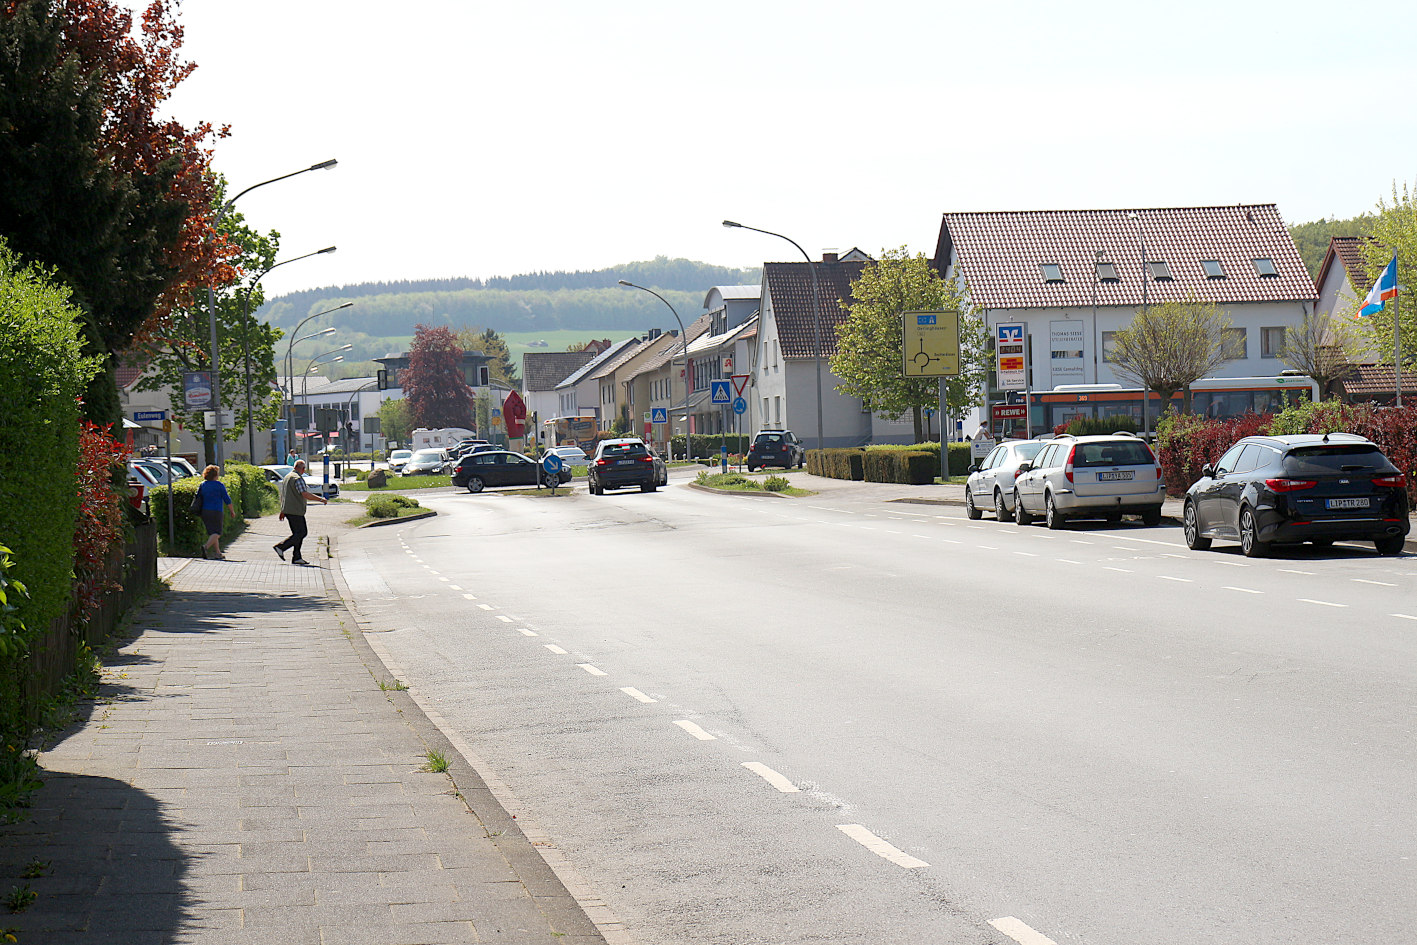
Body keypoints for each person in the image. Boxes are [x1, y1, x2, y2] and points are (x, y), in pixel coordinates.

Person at [274, 459, 328, 565]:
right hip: (296, 510)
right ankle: (281, 547)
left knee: (297, 534)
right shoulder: (297, 479)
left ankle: (297, 557)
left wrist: (283, 510)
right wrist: (321, 499)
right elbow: (305, 494)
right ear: (302, 469)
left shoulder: (287, 477)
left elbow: (284, 495)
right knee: (302, 532)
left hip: (289, 510)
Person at [195, 465, 235, 560]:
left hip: (205, 511)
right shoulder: (219, 485)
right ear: (215, 475)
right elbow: (227, 499)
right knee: (217, 532)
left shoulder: (203, 485)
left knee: (212, 533)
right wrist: (232, 511)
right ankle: (206, 547)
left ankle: (218, 553)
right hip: (216, 511)